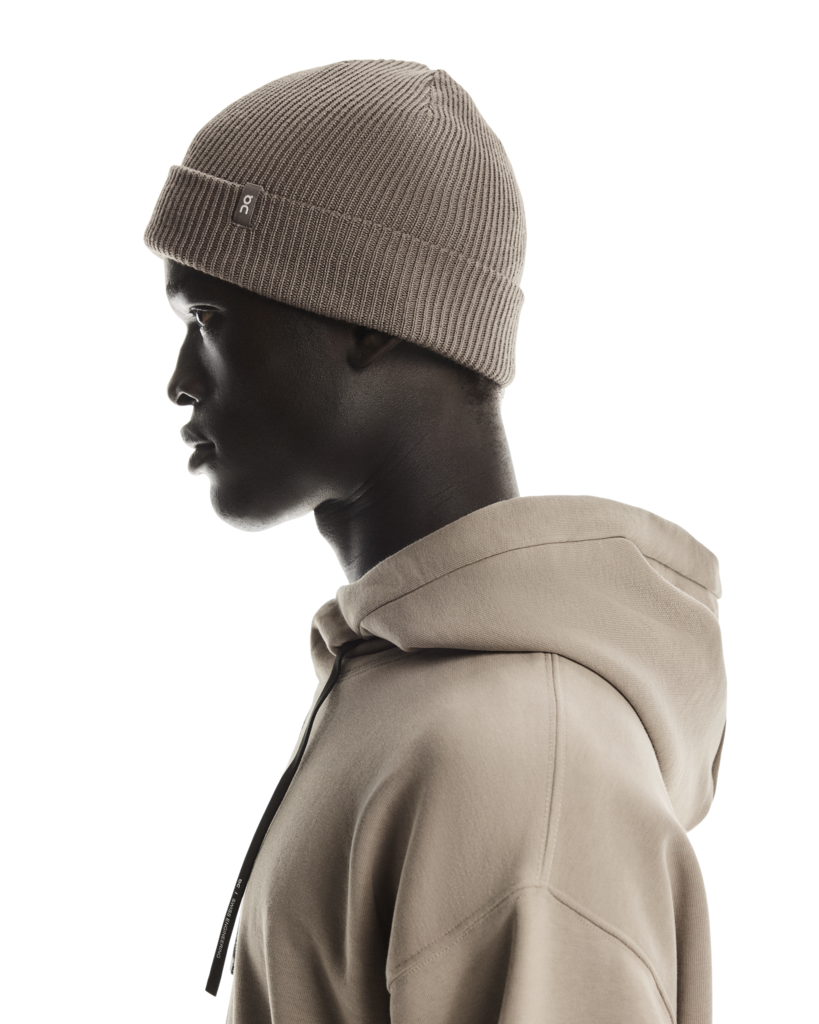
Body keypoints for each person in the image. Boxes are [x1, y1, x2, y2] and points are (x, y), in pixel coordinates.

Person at [143, 60, 727, 1024]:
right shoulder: (409, 699)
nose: (177, 381)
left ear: (370, 321)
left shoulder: (517, 758)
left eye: (207, 319)